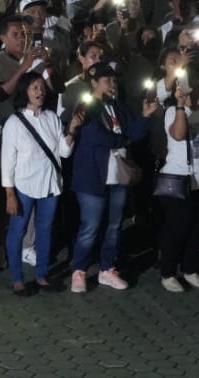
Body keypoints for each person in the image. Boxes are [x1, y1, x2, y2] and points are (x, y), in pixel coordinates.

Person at [68, 62, 156, 293]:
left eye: (114, 80)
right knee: (90, 226)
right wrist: (123, 140)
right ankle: (79, 270)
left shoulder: (118, 106)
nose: (112, 85)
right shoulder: (87, 107)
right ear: (94, 83)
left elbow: (133, 134)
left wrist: (145, 116)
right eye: (107, 81)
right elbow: (97, 136)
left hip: (117, 175)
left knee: (114, 225)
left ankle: (107, 268)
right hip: (92, 177)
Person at [2, 70, 79, 294]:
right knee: (17, 230)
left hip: (50, 184)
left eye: (42, 87)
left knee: (44, 230)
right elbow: (7, 161)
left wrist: (71, 130)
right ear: (24, 92)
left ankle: (42, 275)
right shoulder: (14, 123)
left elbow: (64, 153)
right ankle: (17, 279)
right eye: (35, 87)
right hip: (23, 185)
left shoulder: (51, 118)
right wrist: (9, 193)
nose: (40, 91)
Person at [153, 48, 199, 293]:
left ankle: (190, 268)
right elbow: (178, 135)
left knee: (197, 228)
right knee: (177, 229)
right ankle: (168, 272)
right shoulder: (173, 111)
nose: (198, 92)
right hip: (180, 181)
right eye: (194, 88)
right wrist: (180, 106)